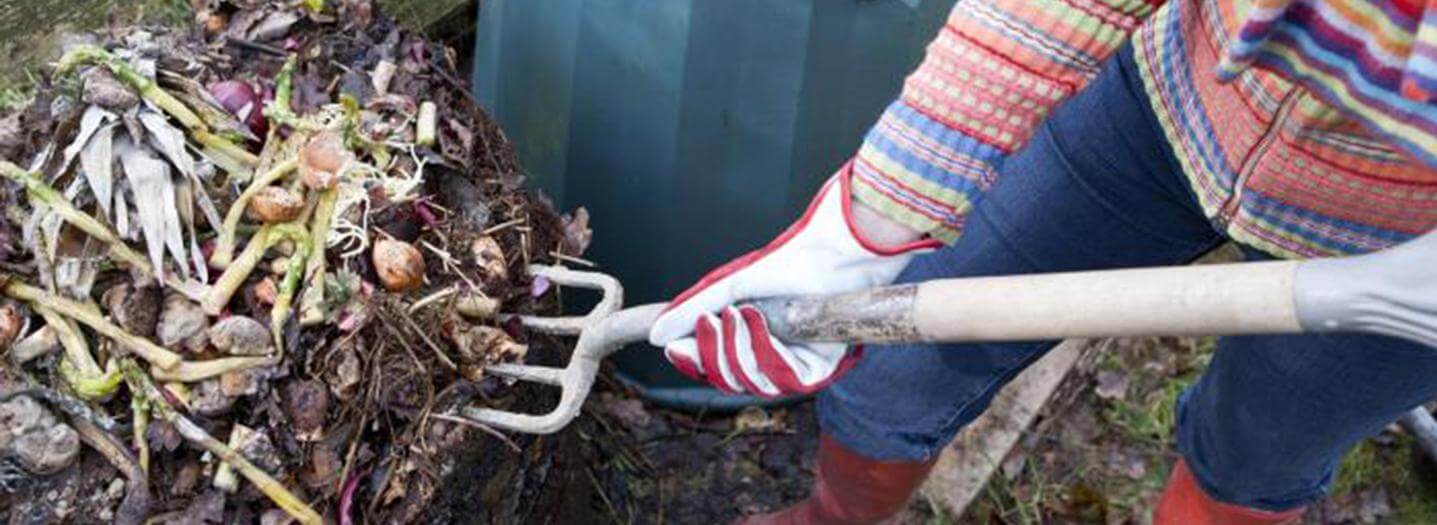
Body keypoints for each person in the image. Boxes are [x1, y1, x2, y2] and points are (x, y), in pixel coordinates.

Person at [648, 1, 1437, 523]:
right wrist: (869, 223)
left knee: (1255, 460)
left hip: (1405, 251)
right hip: (1161, 111)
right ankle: (831, 517)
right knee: (892, 373)